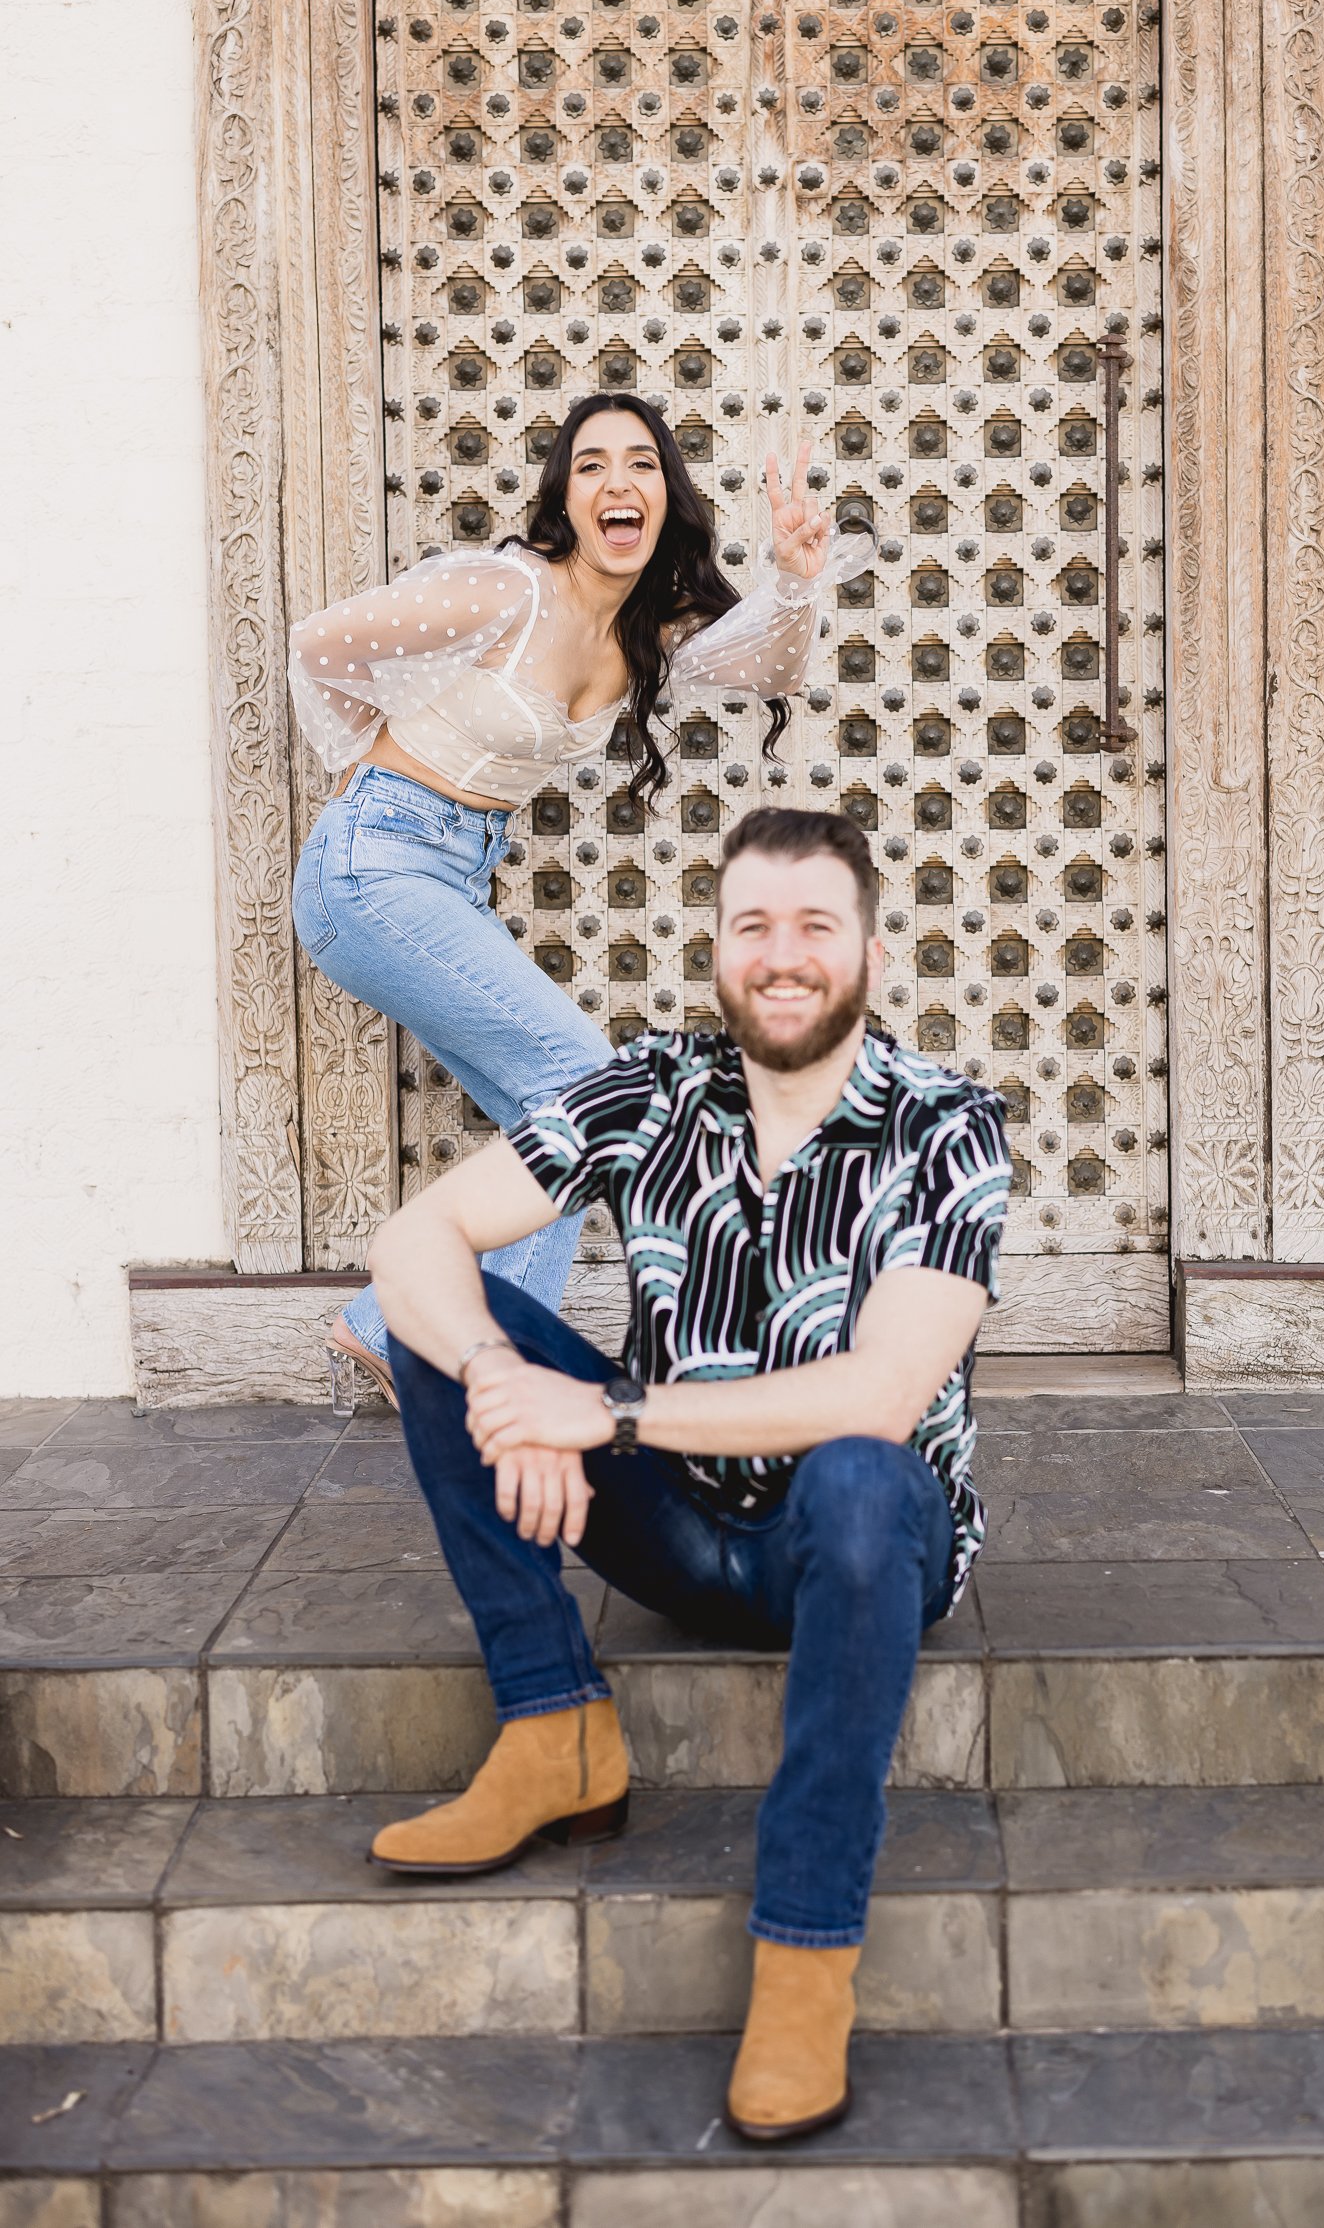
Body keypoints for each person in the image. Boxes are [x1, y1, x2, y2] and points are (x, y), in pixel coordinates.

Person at [366, 807, 1010, 2142]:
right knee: (438, 1320)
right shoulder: (653, 1086)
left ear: (870, 957)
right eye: (753, 925)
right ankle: (557, 1730)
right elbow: (417, 1235)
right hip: (679, 1530)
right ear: (716, 950)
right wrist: (500, 1379)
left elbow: (883, 1394)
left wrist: (593, 1417)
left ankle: (803, 1948)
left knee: (855, 1473)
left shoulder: (945, 1127)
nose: (782, 956)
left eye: (814, 927)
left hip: (857, 1547)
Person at [288, 395, 871, 1405]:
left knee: (561, 1121)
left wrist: (793, 577)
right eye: (591, 463)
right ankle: (448, 1347)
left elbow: (768, 661)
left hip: (449, 876)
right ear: (564, 495)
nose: (617, 482)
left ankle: (414, 1335)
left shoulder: (641, 633)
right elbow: (324, 645)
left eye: (639, 464)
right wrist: (362, 783)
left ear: (663, 497)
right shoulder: (505, 591)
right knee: (584, 1089)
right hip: (374, 864)